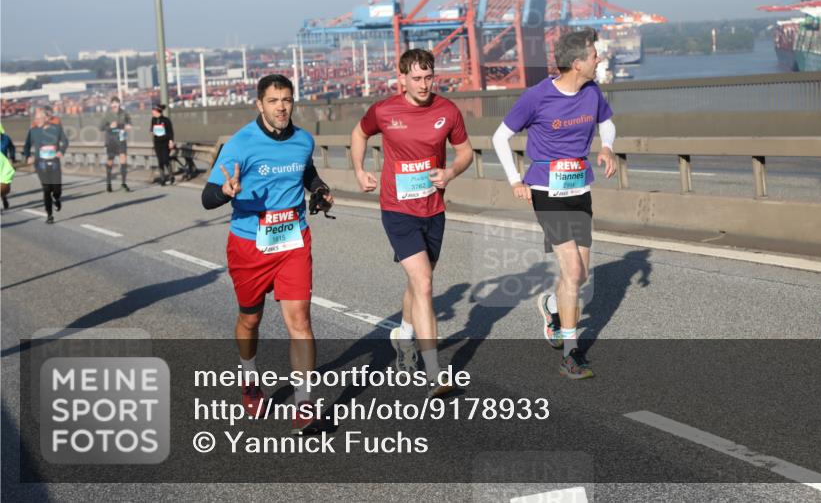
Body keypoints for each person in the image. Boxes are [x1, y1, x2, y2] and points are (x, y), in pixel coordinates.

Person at [202, 74, 333, 433]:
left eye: (287, 100)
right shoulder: (240, 144)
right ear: (259, 104)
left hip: (293, 238)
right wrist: (225, 192)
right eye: (273, 101)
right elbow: (207, 197)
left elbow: (308, 173)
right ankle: (248, 378)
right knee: (250, 320)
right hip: (250, 243)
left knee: (300, 322)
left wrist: (320, 189)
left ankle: (304, 403)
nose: (281, 107)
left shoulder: (303, 141)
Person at [492, 28, 617, 379]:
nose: (599, 59)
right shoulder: (537, 97)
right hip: (547, 192)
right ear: (577, 63)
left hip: (580, 189)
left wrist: (606, 147)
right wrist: (515, 179)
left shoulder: (592, 91)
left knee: (578, 275)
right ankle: (570, 354)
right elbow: (500, 137)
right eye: (594, 55)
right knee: (574, 272)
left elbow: (607, 123)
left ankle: (551, 307)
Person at [350, 48, 473, 397]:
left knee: (422, 279)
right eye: (416, 78)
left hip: (433, 209)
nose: (423, 84)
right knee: (423, 282)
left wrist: (450, 171)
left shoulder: (447, 110)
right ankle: (434, 370)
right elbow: (359, 134)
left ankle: (403, 334)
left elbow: (464, 151)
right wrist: (360, 170)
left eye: (428, 77)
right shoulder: (385, 111)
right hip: (397, 209)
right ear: (401, 78)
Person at [23, 106, 69, 224]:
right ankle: (49, 215)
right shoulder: (33, 131)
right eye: (35, 119)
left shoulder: (56, 128)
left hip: (54, 162)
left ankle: (57, 198)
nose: (36, 121)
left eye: (39, 118)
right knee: (47, 189)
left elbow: (65, 141)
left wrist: (61, 151)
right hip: (40, 163)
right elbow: (26, 146)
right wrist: (28, 156)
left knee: (57, 189)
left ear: (46, 118)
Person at [100, 96, 132, 192]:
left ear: (119, 104)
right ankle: (109, 182)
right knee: (110, 161)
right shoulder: (107, 115)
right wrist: (109, 126)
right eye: (113, 105)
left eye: (116, 105)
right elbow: (101, 127)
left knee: (123, 160)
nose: (115, 107)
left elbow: (129, 124)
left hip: (122, 140)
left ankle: (123, 183)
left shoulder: (124, 113)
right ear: (111, 105)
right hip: (111, 141)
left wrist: (127, 126)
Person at [150, 103, 175, 185]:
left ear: (157, 111)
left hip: (165, 142)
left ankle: (171, 175)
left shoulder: (166, 120)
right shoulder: (153, 120)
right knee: (160, 161)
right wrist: (152, 132)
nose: (152, 111)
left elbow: (171, 132)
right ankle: (162, 178)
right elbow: (151, 129)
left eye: (153, 110)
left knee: (165, 159)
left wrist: (171, 141)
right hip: (157, 143)